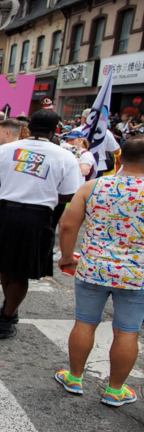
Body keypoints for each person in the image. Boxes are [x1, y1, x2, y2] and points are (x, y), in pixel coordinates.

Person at [54, 135, 144, 406]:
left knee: (85, 322)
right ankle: (115, 390)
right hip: (137, 273)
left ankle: (74, 377)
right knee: (128, 330)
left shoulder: (93, 186)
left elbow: (67, 225)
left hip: (93, 267)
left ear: (120, 157)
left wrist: (67, 256)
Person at [0, 110, 81, 338]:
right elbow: (69, 194)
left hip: (6, 211)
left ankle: (8, 309)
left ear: (30, 126)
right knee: (19, 271)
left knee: (7, 266)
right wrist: (45, 191)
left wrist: (15, 183)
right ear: (55, 129)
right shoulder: (64, 156)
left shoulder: (6, 150)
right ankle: (7, 317)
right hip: (37, 217)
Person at [79, 107, 119, 176]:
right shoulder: (106, 132)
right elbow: (116, 150)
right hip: (98, 166)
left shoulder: (76, 131)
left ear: (85, 119)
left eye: (82, 118)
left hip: (80, 164)